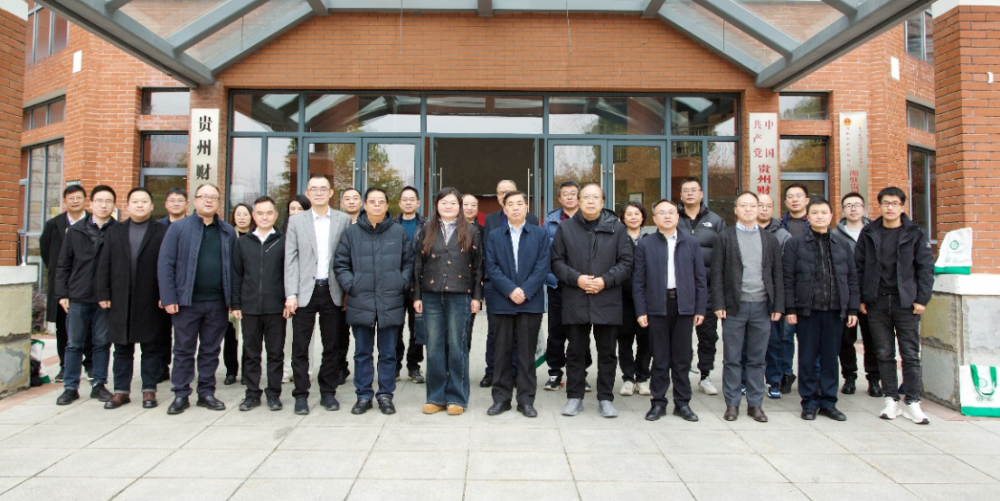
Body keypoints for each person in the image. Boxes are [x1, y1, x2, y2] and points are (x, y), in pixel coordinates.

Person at [551, 183, 633, 418]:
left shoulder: (617, 228)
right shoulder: (566, 228)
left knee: (607, 352)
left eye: (595, 197)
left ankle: (606, 398)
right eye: (585, 197)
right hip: (576, 298)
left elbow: (626, 262)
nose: (590, 201)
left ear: (603, 202)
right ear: (578, 201)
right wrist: (576, 278)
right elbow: (556, 261)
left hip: (607, 298)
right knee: (575, 351)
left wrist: (605, 281)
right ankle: (574, 397)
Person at [855, 187, 934, 424]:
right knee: (884, 353)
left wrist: (922, 299)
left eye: (895, 203)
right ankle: (891, 399)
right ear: (879, 206)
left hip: (906, 302)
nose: (890, 207)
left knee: (910, 353)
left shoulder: (914, 233)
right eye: (886, 203)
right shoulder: (869, 232)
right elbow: (858, 267)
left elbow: (925, 268)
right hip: (877, 302)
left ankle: (912, 401)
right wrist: (861, 298)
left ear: (902, 206)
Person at [158, 183, 237, 414]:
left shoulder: (227, 231)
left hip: (217, 302)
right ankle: (181, 394)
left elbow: (234, 268)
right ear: (195, 201)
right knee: (183, 350)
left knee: (211, 350)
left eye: (214, 197)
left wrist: (233, 300)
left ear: (219, 202)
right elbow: (165, 264)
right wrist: (169, 297)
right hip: (186, 302)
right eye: (204, 196)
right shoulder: (179, 228)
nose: (209, 200)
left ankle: (206, 393)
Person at [335, 187, 414, 415]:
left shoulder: (398, 232)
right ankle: (363, 395)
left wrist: (400, 283)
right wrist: (352, 285)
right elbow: (341, 263)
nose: (377, 205)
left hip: (390, 300)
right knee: (362, 353)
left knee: (388, 353)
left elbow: (409, 263)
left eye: (381, 201)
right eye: (372, 201)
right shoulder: (351, 233)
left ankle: (386, 395)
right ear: (365, 205)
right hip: (361, 300)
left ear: (387, 205)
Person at [782, 198, 859, 421]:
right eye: (815, 212)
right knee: (807, 357)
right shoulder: (795, 244)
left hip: (835, 310)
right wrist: (790, 308)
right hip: (807, 310)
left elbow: (852, 278)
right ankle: (809, 402)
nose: (819, 216)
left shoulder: (841, 244)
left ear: (831, 216)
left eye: (824, 212)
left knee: (830, 358)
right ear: (808, 216)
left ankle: (828, 401)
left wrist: (852, 309)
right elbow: (788, 279)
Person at [711, 192, 783, 423]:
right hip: (734, 306)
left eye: (753, 205)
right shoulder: (725, 237)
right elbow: (717, 273)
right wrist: (718, 302)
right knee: (732, 358)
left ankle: (755, 404)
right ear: (736, 209)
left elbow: (777, 274)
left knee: (757, 358)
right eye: (744, 205)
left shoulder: (770, 239)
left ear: (760, 209)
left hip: (762, 306)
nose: (749, 209)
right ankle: (732, 404)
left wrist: (778, 305)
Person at [95, 187, 170, 409]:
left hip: (150, 298)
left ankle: (149, 389)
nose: (139, 205)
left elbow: (168, 266)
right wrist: (103, 292)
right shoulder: (114, 231)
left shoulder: (162, 231)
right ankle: (121, 391)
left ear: (152, 205)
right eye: (135, 201)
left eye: (144, 201)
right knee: (122, 347)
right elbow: (104, 264)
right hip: (120, 298)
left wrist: (165, 294)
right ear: (127, 206)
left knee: (151, 347)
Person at [633, 199, 706, 422]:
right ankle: (658, 402)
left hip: (684, 306)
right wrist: (641, 310)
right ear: (654, 219)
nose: (667, 216)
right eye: (661, 213)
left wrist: (700, 308)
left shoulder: (691, 243)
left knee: (682, 358)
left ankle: (682, 403)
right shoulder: (646, 244)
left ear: (677, 217)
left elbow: (700, 279)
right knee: (660, 357)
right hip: (657, 306)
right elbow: (638, 281)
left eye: (671, 212)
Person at [284, 175, 351, 415]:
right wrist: (291, 293)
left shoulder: (343, 220)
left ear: (331, 193)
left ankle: (328, 392)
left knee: (331, 346)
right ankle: (301, 394)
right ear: (308, 193)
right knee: (300, 347)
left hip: (332, 291)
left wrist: (347, 292)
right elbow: (290, 259)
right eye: (314, 189)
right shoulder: (297, 221)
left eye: (324, 189)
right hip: (304, 292)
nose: (319, 192)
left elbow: (347, 257)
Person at [414, 188, 484, 416]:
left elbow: (479, 266)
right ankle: (435, 397)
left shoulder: (471, 231)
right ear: (436, 205)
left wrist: (476, 297)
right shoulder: (426, 230)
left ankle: (457, 397)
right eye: (443, 202)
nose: (448, 206)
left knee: (457, 346)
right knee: (434, 347)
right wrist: (417, 296)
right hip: (431, 295)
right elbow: (418, 264)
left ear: (459, 206)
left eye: (453, 203)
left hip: (460, 294)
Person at [484, 190, 550, 418]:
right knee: (501, 353)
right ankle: (501, 399)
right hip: (502, 301)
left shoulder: (539, 234)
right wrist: (510, 290)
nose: (515, 207)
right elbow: (491, 266)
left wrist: (525, 290)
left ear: (526, 207)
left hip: (530, 302)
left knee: (526, 353)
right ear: (504, 209)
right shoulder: (495, 235)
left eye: (519, 203)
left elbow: (543, 266)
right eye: (510, 204)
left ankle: (526, 400)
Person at [54, 185, 118, 405]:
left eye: (108, 201)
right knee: (74, 343)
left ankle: (99, 384)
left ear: (114, 205)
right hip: (78, 295)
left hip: (105, 298)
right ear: (91, 204)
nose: (103, 205)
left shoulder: (118, 231)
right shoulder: (76, 231)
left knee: (102, 342)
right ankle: (70, 387)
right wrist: (62, 293)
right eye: (99, 201)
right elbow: (63, 264)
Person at [231, 196, 288, 412]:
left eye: (269, 213)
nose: (265, 217)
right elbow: (236, 275)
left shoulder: (283, 241)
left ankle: (274, 394)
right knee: (251, 353)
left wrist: (288, 300)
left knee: (275, 353)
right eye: (260, 213)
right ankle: (252, 393)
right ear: (254, 216)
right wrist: (236, 304)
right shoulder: (242, 243)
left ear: (275, 215)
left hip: (276, 307)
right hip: (250, 308)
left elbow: (289, 274)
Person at [481, 180, 538, 388]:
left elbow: (536, 258)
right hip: (498, 288)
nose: (505, 196)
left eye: (510, 193)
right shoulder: (491, 221)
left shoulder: (533, 222)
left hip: (525, 289)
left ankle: (517, 375)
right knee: (496, 335)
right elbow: (489, 255)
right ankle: (492, 372)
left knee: (521, 338)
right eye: (501, 193)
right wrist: (507, 287)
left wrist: (523, 288)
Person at [676, 177, 726, 396]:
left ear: (701, 194)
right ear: (680, 195)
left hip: (707, 288)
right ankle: (681, 373)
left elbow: (724, 254)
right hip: (679, 289)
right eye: (686, 190)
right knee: (681, 335)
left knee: (708, 335)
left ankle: (705, 375)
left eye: (693, 190)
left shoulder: (715, 221)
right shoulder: (674, 218)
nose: (690, 194)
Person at [543, 181, 592, 392]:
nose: (570, 197)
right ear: (559, 198)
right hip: (557, 285)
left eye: (573, 193)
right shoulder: (550, 221)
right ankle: (555, 372)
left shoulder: (589, 219)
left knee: (580, 332)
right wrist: (550, 278)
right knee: (556, 331)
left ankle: (581, 373)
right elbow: (543, 253)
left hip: (582, 286)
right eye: (566, 194)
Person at [40, 185, 92, 383]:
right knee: (63, 327)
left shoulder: (93, 222)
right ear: (65, 201)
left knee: (90, 325)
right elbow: (46, 252)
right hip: (62, 283)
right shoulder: (54, 224)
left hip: (87, 282)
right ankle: (65, 367)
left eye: (79, 197)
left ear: (85, 200)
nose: (75, 201)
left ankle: (90, 365)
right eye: (71, 198)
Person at [834, 192, 879, 397]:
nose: (853, 209)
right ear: (842, 210)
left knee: (872, 340)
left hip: (870, 297)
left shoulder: (875, 233)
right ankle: (850, 376)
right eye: (848, 205)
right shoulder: (835, 235)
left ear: (864, 209)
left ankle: (874, 379)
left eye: (857, 205)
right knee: (845, 339)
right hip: (844, 296)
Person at [758, 193, 794, 400]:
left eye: (768, 206)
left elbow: (785, 271)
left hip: (773, 298)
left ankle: (774, 380)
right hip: (749, 296)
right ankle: (746, 381)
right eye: (760, 205)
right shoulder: (742, 232)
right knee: (748, 344)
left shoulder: (782, 235)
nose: (763, 209)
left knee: (775, 342)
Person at [393, 186, 427, 384]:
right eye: (404, 199)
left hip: (419, 283)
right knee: (395, 326)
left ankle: (414, 367)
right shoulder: (391, 225)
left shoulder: (427, 226)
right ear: (399, 203)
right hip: (396, 282)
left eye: (411, 199)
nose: (408, 202)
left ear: (418, 203)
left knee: (418, 328)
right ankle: (395, 366)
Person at [156, 187, 189, 384]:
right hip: (164, 287)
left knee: (184, 334)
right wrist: (163, 292)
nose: (176, 204)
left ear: (187, 204)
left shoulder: (192, 226)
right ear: (166, 204)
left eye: (180, 200)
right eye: (172, 200)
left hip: (185, 288)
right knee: (161, 331)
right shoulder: (158, 228)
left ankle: (182, 370)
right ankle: (162, 366)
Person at [618, 201, 651, 397]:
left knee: (646, 339)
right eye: (629, 214)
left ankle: (643, 377)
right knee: (625, 339)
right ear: (622, 218)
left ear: (643, 217)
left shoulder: (651, 238)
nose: (633, 217)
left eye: (637, 213)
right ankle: (628, 378)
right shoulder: (617, 238)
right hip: (623, 297)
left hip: (647, 298)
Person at [281, 194, 311, 384]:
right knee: (284, 336)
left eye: (300, 209)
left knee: (304, 336)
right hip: (285, 291)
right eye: (292, 209)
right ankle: (285, 371)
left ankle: (305, 371)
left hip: (305, 291)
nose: (296, 212)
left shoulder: (311, 234)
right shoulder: (280, 235)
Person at [223, 203, 253, 386]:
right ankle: (231, 371)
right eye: (238, 214)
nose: (242, 218)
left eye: (245, 214)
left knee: (249, 337)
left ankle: (247, 372)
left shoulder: (255, 237)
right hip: (231, 292)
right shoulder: (227, 236)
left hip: (249, 294)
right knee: (230, 335)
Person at [336, 187, 362, 384]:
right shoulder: (336, 225)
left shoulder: (367, 224)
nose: (351, 201)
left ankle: (362, 369)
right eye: (347, 198)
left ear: (361, 203)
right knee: (339, 331)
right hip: (338, 284)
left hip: (361, 287)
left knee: (361, 332)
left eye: (355, 198)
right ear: (341, 203)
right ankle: (340, 366)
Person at [463, 193, 485, 352]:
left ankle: (463, 363)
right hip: (450, 287)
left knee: (466, 330)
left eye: (473, 205)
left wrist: (478, 295)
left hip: (471, 287)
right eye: (466, 204)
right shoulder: (449, 229)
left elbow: (481, 263)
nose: (469, 208)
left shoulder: (481, 231)